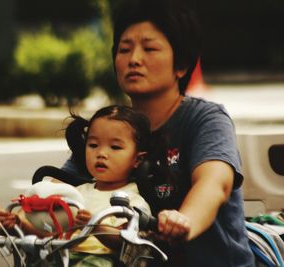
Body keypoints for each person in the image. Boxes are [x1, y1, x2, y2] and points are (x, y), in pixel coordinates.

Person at [61, 0, 255, 266]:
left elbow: (214, 184)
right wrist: (26, 210)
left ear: (182, 65)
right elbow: (62, 188)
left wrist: (184, 220)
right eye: (124, 49)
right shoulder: (110, 128)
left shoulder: (205, 119)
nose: (134, 59)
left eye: (150, 48)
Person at [0, 105, 153, 266]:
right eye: (93, 145)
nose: (101, 153)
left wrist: (93, 225)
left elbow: (126, 241)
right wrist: (18, 223)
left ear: (138, 159)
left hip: (101, 259)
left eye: (115, 147)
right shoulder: (76, 193)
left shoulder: (133, 199)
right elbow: (50, 231)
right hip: (63, 254)